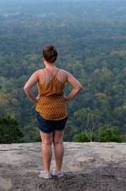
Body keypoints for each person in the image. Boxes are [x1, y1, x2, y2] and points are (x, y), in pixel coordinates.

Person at [23, 45, 83, 179]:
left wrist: (35, 100)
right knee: (59, 141)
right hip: (61, 110)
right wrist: (67, 98)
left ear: (43, 58)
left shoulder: (39, 73)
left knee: (46, 142)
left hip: (44, 110)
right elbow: (78, 87)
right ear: (55, 58)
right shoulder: (64, 73)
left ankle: (46, 172)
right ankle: (58, 171)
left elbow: (26, 88)